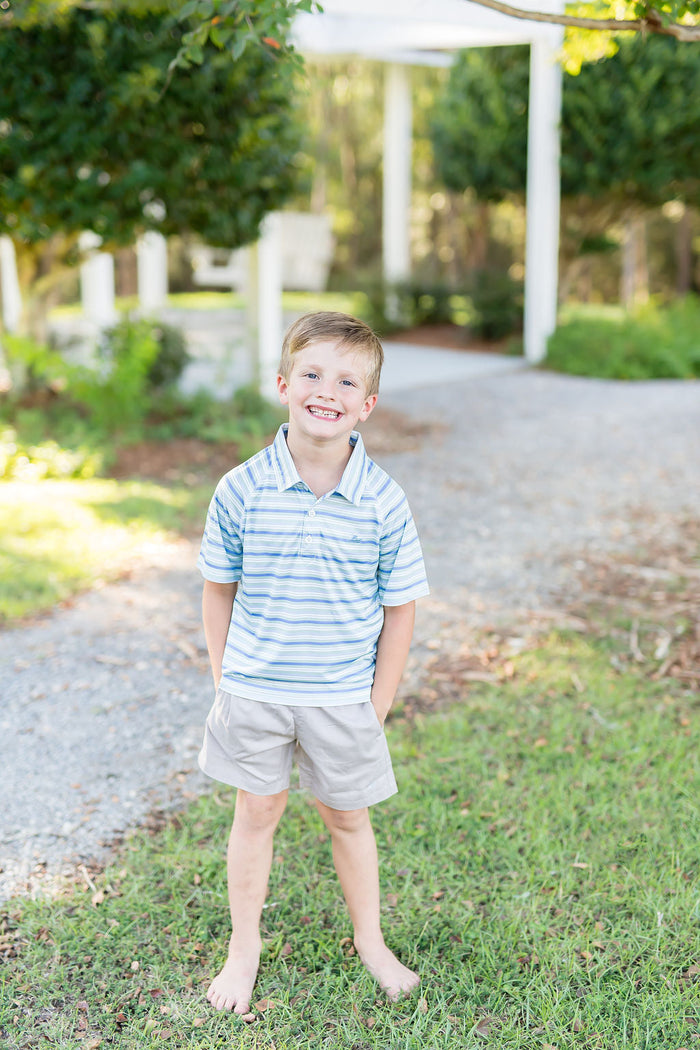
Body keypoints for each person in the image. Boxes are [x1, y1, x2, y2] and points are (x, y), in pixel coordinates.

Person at [197, 311, 429, 1014]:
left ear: (368, 404)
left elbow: (400, 611)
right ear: (283, 384)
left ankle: (370, 942)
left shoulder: (384, 502)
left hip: (341, 697)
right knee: (256, 811)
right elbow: (217, 590)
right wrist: (224, 681)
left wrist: (377, 704)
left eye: (346, 380)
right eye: (312, 374)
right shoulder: (241, 488)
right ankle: (244, 949)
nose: (327, 390)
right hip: (255, 691)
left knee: (348, 819)